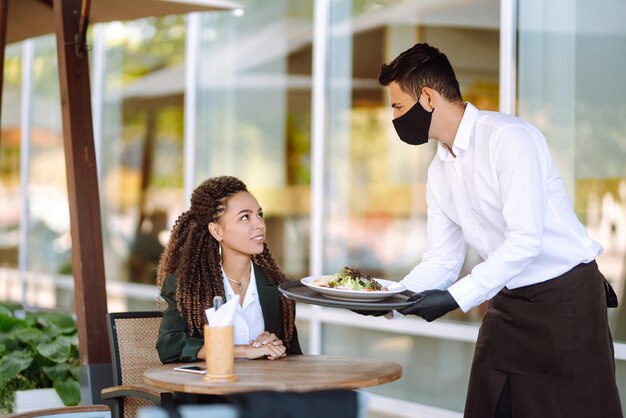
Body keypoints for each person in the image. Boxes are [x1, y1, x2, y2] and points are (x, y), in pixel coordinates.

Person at [358, 43, 622, 418]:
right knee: (490, 406)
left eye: (398, 106)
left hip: (565, 302)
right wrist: (392, 302)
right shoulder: (439, 171)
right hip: (509, 303)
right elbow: (441, 259)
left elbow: (524, 242)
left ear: (428, 98)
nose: (395, 118)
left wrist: (454, 297)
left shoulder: (508, 139)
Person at [156, 176, 302, 365]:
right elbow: (170, 346)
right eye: (244, 217)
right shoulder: (188, 285)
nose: (259, 225)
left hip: (262, 391)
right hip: (209, 391)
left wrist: (275, 346)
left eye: (259, 214)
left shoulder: (277, 287)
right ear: (217, 231)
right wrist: (242, 351)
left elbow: (295, 357)